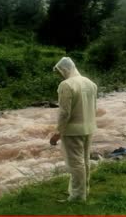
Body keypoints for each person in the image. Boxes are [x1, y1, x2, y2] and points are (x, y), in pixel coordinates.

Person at [50, 57, 97, 202]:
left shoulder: (66, 85)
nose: (60, 75)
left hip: (72, 130)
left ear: (64, 69)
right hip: (88, 127)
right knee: (84, 161)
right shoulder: (90, 83)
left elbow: (65, 112)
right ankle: (83, 190)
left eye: (59, 72)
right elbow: (93, 107)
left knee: (76, 163)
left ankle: (77, 196)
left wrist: (58, 132)